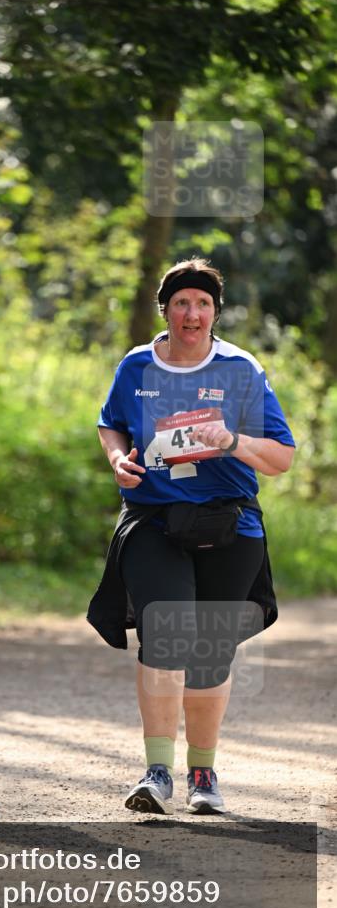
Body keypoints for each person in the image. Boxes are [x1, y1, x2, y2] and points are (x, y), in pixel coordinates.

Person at [88, 258, 295, 815]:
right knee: (165, 632)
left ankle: (203, 774)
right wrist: (116, 459)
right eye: (182, 302)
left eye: (203, 303)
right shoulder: (136, 367)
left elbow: (281, 457)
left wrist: (231, 441)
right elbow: (111, 422)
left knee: (208, 652)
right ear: (165, 310)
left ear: (215, 313)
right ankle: (157, 773)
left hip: (230, 524)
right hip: (154, 519)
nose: (192, 313)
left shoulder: (240, 369)